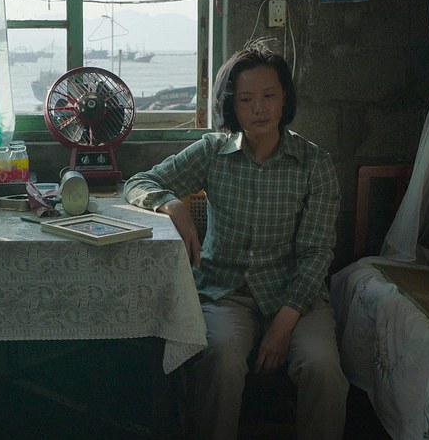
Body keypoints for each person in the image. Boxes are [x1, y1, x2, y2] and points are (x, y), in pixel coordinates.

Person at [123, 40, 348, 440]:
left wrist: (282, 325)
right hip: (225, 292)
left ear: (284, 99)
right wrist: (171, 204)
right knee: (221, 360)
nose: (259, 109)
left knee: (324, 369)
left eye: (269, 96)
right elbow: (139, 182)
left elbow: (317, 254)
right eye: (246, 100)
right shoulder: (213, 151)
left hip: (297, 297)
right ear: (232, 105)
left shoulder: (315, 163)